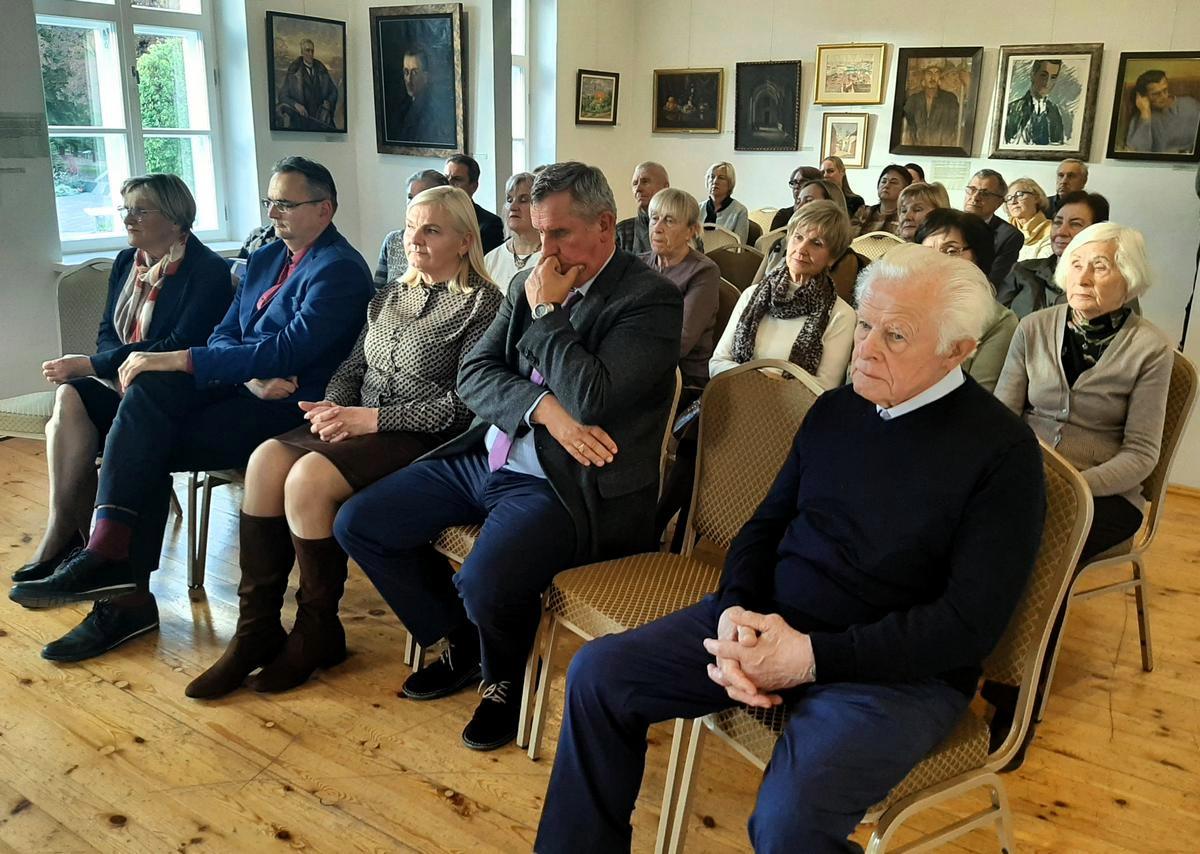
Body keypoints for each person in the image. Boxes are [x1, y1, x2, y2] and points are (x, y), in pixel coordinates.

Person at [535, 243, 1046, 854]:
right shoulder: (837, 409)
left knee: (788, 825)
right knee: (598, 675)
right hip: (769, 620)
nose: (866, 348)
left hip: (896, 674)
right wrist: (737, 609)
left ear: (958, 351)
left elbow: (966, 626)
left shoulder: (1003, 454)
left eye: (896, 336)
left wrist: (810, 657)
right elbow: (764, 527)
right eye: (866, 325)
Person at [333, 162, 683, 752]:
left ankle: (504, 682)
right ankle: (461, 642)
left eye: (560, 233)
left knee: (485, 581)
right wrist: (542, 410)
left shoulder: (650, 300)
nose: (545, 249)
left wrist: (548, 314)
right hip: (492, 451)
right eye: (540, 233)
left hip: (567, 482)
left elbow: (592, 397)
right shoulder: (529, 280)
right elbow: (475, 372)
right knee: (360, 522)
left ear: (605, 225)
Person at [10, 157, 373, 662]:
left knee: (144, 434)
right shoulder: (267, 257)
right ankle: (107, 560)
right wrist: (245, 374)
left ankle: (119, 584)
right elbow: (225, 332)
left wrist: (185, 359)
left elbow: (288, 350)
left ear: (324, 209)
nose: (273, 213)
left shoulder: (340, 269)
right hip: (244, 389)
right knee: (138, 401)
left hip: (290, 410)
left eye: (287, 204)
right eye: (270, 202)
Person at [185, 187, 502, 699]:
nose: (414, 239)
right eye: (410, 227)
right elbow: (352, 368)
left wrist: (369, 420)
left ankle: (317, 629)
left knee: (308, 479)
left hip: (423, 436)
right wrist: (333, 409)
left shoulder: (484, 307)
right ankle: (256, 629)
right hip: (357, 421)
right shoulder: (389, 296)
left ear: (465, 241)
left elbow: (465, 408)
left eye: (432, 230)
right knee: (265, 460)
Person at [990, 223, 1170, 768]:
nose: (1083, 276)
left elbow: (1142, 454)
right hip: (1026, 477)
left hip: (1104, 493)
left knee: (1046, 555)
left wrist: (1073, 490)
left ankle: (1015, 706)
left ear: (1130, 279)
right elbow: (1004, 419)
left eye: (1101, 266)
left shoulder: (1151, 349)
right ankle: (947, 668)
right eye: (1076, 263)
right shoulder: (1034, 327)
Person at [11, 175, 232, 585]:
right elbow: (107, 332)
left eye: (140, 211)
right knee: (69, 396)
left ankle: (76, 544)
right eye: (126, 209)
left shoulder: (208, 270)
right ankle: (67, 531)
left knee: (75, 408)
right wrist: (104, 366)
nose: (128, 219)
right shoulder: (126, 262)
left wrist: (94, 365)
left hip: (172, 393)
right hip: (123, 383)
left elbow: (180, 344)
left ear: (175, 219)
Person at [711, 201, 855, 389]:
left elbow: (825, 388)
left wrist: (771, 388)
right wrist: (759, 381)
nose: (801, 249)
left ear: (832, 257)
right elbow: (717, 363)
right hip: (733, 397)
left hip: (795, 407)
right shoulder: (751, 295)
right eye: (798, 237)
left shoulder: (841, 315)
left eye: (816, 243)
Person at [916, 209, 1019, 392]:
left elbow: (979, 394)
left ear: (978, 258)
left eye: (951, 251)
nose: (936, 260)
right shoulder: (899, 305)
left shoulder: (998, 321)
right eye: (927, 252)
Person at [642, 188, 720, 390]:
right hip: (640, 365)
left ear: (691, 231)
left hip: (684, 377)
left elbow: (681, 342)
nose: (657, 228)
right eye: (654, 218)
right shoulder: (638, 264)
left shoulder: (703, 272)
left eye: (669, 221)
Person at [997, 190, 1110, 317]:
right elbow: (995, 320)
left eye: (1075, 224)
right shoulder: (1022, 270)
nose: (1061, 232)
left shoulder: (1109, 283)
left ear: (1097, 231)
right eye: (1057, 222)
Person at [373, 169, 449, 288]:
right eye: (410, 197)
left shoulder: (448, 240)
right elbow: (378, 288)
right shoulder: (393, 240)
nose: (413, 203)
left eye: (421, 197)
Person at [484, 172, 543, 295]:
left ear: (540, 206)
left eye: (523, 200)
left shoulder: (550, 257)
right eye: (509, 200)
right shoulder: (491, 259)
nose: (513, 207)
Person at [963, 168, 1023, 288]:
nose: (975, 197)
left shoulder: (1008, 236)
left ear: (999, 203)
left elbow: (994, 281)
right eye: (972, 190)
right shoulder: (949, 224)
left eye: (985, 193)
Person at [1125, 69, 1200, 154]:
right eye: (1156, 94)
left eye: (1165, 90)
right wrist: (1145, 114)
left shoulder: (1190, 104)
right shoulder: (1141, 118)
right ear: (1143, 96)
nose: (1164, 96)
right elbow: (1136, 152)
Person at [394, 47, 456, 146]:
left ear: (426, 76)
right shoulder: (403, 107)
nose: (409, 80)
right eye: (406, 72)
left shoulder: (434, 110)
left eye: (414, 73)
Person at [446, 154, 505, 253]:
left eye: (457, 179)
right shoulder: (434, 216)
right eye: (446, 178)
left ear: (473, 186)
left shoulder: (490, 224)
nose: (449, 184)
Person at [277, 39, 339, 131]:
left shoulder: (321, 70)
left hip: (320, 120)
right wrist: (295, 105)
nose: (310, 54)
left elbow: (333, 91)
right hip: (301, 121)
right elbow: (283, 95)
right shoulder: (294, 71)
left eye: (312, 51)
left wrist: (328, 103)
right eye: (307, 50)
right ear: (302, 52)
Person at [1005, 59, 1070, 146]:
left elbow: (1058, 144)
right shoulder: (1013, 109)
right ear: (1033, 75)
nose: (1047, 83)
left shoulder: (1054, 111)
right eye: (1043, 75)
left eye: (1053, 77)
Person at [615, 162, 670, 255]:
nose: (638, 189)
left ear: (665, 187)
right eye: (635, 183)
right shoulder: (621, 233)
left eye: (645, 182)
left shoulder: (683, 228)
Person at [901, 64, 960, 147]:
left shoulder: (950, 99)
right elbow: (908, 128)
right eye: (929, 73)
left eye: (936, 73)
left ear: (940, 76)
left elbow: (953, 127)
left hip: (942, 148)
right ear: (923, 76)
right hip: (917, 149)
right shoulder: (913, 100)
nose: (933, 77)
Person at [850, 164, 912, 236]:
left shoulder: (906, 215)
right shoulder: (864, 212)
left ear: (905, 189)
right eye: (883, 181)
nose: (886, 185)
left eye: (893, 182)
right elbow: (850, 237)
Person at [1005, 177, 1053, 261]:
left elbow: (1042, 266)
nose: (1013, 201)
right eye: (1009, 198)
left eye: (1019, 194)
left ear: (1036, 197)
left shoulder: (1052, 231)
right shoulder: (1002, 231)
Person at [703, 161, 750, 243]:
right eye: (712, 177)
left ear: (730, 183)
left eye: (721, 178)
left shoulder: (740, 211)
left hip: (726, 251)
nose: (715, 181)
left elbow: (739, 246)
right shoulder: (696, 208)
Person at [770, 166, 823, 231]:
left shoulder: (825, 216)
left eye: (803, 182)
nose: (797, 186)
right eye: (794, 183)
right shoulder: (783, 215)